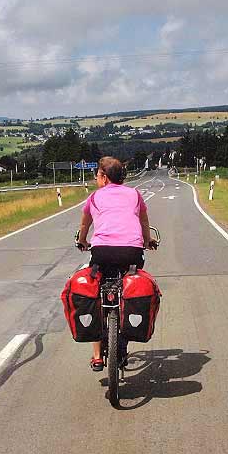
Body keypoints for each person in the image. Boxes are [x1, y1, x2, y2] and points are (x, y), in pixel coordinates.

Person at [76, 156, 157, 371]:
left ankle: (96, 356)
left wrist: (82, 241)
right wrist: (148, 240)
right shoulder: (135, 194)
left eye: (97, 175)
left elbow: (85, 224)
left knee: (94, 293)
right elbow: (144, 220)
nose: (96, 179)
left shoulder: (94, 197)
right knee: (129, 289)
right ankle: (124, 335)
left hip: (102, 252)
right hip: (131, 251)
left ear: (103, 177)